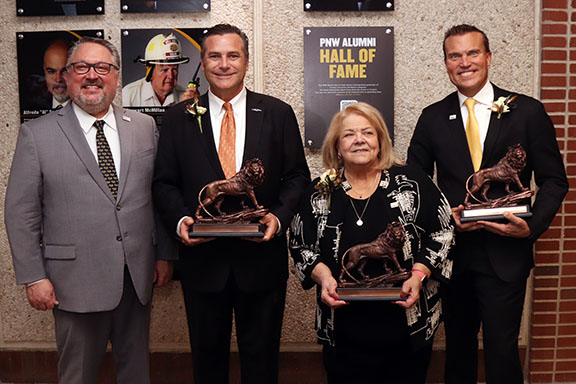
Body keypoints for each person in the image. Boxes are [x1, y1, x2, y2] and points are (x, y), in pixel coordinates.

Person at [4, 37, 174, 384]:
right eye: (81, 67)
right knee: (77, 375)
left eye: (102, 68)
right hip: (72, 283)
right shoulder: (36, 135)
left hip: (135, 279)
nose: (92, 76)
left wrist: (164, 255)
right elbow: (21, 213)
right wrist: (34, 276)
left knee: (136, 372)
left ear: (116, 76)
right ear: (67, 77)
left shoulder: (143, 128)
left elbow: (158, 197)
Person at [407, 24, 568, 384]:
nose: (465, 62)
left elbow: (555, 181)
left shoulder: (526, 111)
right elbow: (415, 187)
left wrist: (532, 226)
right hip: (453, 257)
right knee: (458, 352)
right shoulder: (432, 117)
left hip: (506, 254)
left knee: (502, 351)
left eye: (473, 53)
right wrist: (442, 217)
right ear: (447, 64)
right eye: (455, 55)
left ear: (489, 57)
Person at [152, 23, 310, 384]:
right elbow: (163, 183)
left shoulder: (277, 113)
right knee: (207, 366)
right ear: (203, 63)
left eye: (232, 55)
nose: (224, 64)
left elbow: (297, 178)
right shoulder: (178, 118)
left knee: (263, 364)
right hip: (202, 266)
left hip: (261, 264)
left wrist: (279, 219)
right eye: (215, 56)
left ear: (246, 61)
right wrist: (181, 222)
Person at [289, 102, 454, 384]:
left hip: (407, 323)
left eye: (367, 132)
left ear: (380, 141)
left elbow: (443, 232)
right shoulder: (320, 192)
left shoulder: (412, 182)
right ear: (337, 146)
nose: (359, 140)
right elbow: (300, 245)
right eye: (349, 134)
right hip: (343, 329)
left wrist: (418, 275)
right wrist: (325, 276)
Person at [122, 33, 198, 107]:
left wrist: (196, 106)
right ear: (150, 72)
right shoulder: (129, 95)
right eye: (165, 70)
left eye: (174, 69)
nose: (171, 76)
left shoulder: (187, 97)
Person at [43, 39, 71, 109]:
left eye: (65, 71)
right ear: (44, 71)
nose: (58, 79)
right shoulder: (35, 105)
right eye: (51, 72)